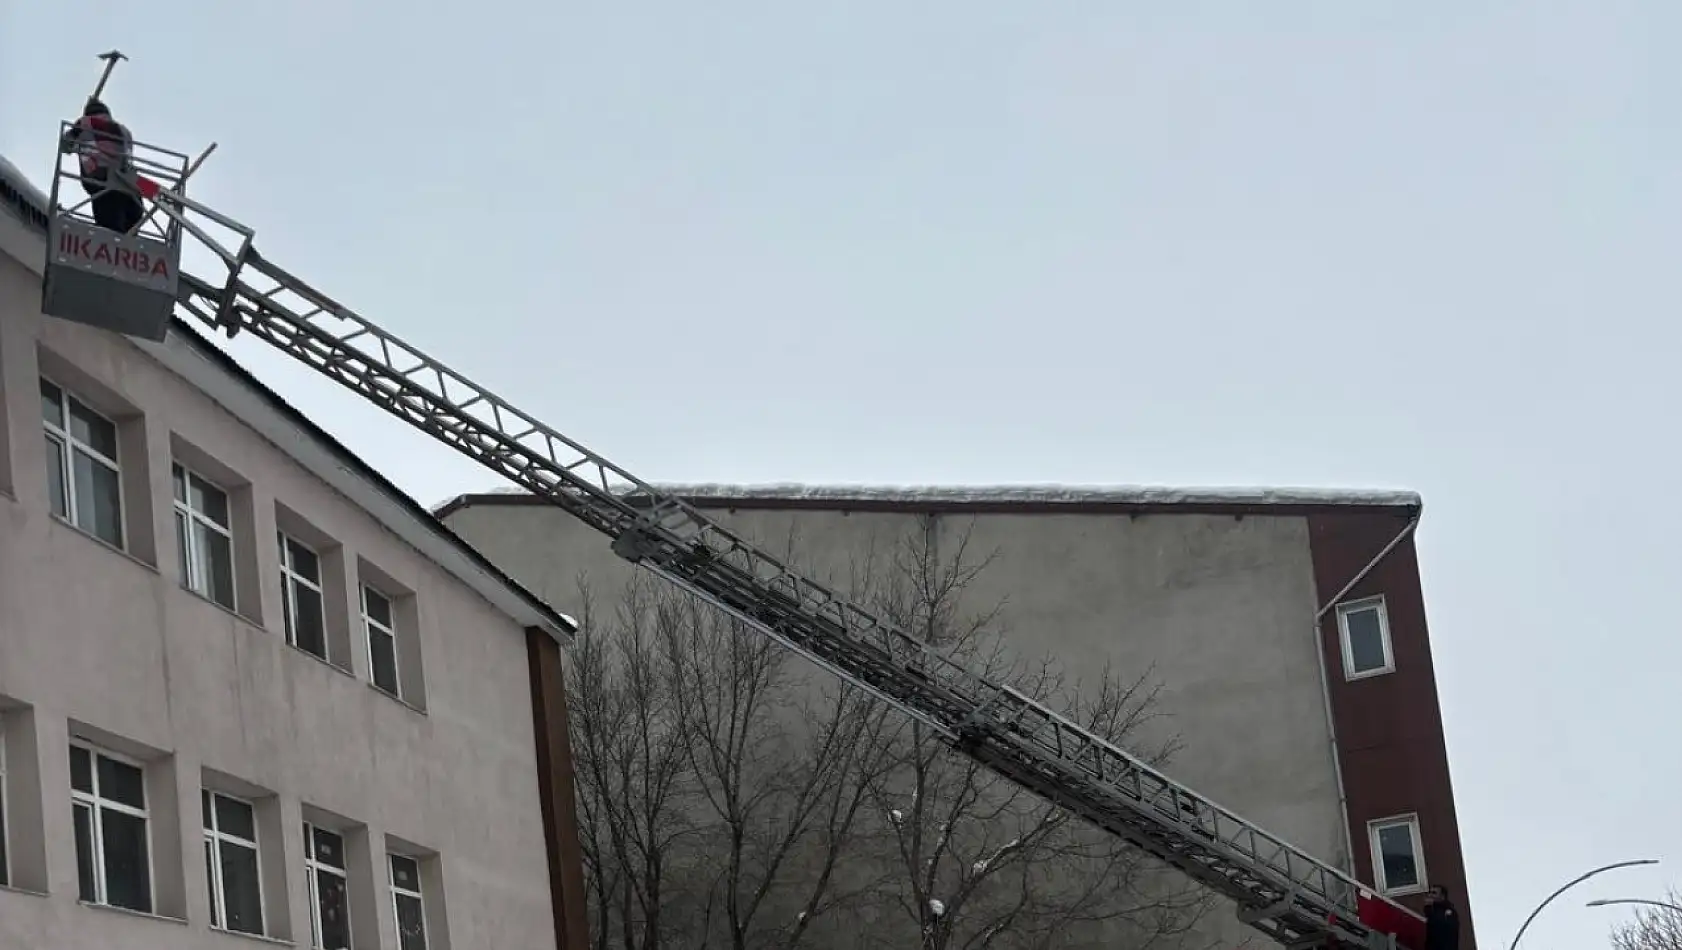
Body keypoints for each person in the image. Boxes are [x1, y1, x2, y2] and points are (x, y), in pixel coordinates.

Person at [59, 98, 144, 234]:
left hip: (102, 183)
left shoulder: (85, 123)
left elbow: (65, 145)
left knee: (109, 233)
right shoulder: (124, 130)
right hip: (131, 190)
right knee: (128, 235)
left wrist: (74, 131)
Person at [1424, 884, 1460, 950]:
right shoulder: (1433, 910)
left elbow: (1441, 926)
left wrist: (1429, 908)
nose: (1430, 895)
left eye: (1434, 893)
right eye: (1429, 893)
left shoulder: (1449, 911)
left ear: (1442, 897)